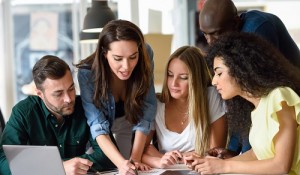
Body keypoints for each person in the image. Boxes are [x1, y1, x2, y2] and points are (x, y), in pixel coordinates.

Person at [184, 32, 300, 175]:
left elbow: (281, 166)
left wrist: (224, 167)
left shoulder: (279, 97)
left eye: (219, 73)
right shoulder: (257, 108)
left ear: (241, 69)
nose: (214, 81)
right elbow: (257, 155)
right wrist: (212, 164)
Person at [0, 55, 115, 175]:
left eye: (71, 89)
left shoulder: (86, 107)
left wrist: (69, 166)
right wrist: (57, 168)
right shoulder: (23, 112)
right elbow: (3, 162)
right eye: (58, 94)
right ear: (40, 94)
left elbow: (108, 156)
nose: (68, 99)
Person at [76, 19, 157, 175]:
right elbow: (97, 125)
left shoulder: (146, 54)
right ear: (105, 53)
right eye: (118, 59)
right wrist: (122, 164)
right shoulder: (87, 73)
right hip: (102, 132)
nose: (126, 67)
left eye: (133, 57)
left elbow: (147, 107)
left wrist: (135, 158)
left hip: (131, 121)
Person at [141, 46, 227, 168]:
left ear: (196, 79)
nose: (173, 83)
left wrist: (172, 157)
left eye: (183, 77)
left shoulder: (211, 96)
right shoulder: (157, 104)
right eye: (170, 75)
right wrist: (160, 161)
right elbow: (141, 152)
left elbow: (215, 152)